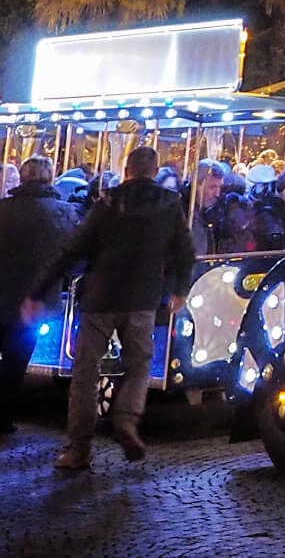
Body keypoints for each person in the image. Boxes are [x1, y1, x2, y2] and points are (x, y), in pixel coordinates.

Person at [29, 144, 194, 470]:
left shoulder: (106, 203)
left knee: (85, 373)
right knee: (138, 366)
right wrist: (180, 290)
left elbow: (73, 249)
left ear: (127, 170)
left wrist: (39, 291)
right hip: (142, 300)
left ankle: (78, 447)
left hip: (100, 298)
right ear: (154, 171)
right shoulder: (170, 204)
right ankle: (126, 418)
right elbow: (185, 252)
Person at [1, 157, 78, 438]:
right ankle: (3, 417)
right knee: (15, 363)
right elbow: (75, 257)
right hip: (35, 302)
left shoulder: (4, 209)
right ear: (50, 178)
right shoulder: (64, 213)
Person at [188, 162, 225, 260]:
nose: (217, 194)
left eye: (220, 187)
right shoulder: (182, 211)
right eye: (212, 187)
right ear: (196, 185)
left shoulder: (213, 211)